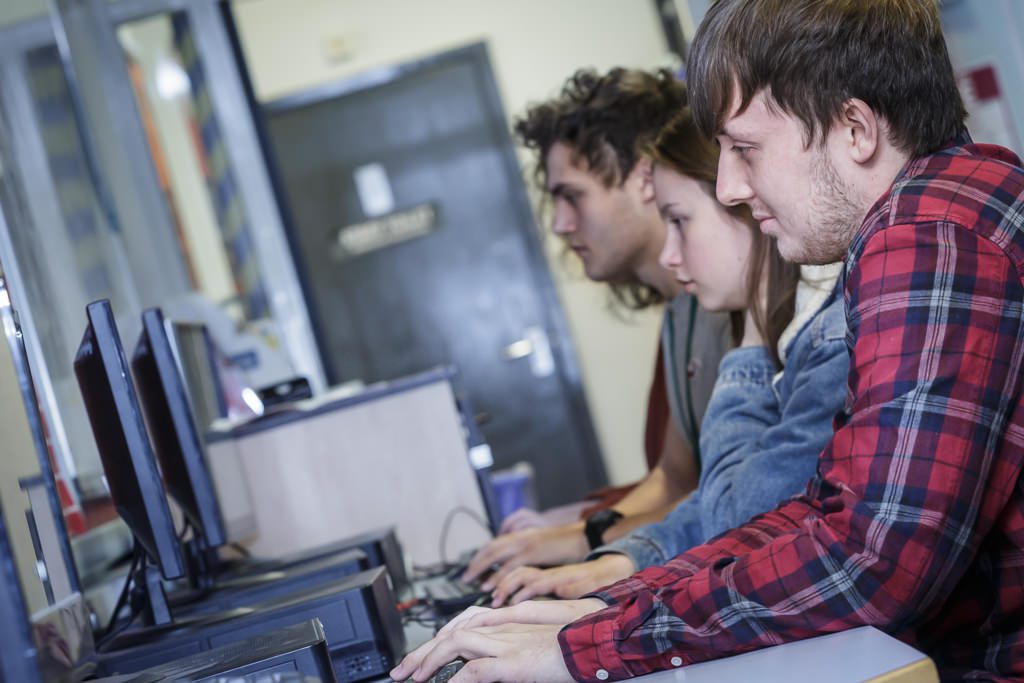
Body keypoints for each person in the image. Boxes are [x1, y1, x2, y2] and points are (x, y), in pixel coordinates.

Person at [391, 1, 1024, 681]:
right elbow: (825, 509)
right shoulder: (943, 207)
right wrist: (610, 605)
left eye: (745, 148)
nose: (730, 185)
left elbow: (874, 560)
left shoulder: (927, 238)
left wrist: (587, 649)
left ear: (855, 128)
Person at [489, 109, 848, 608]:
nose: (669, 255)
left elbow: (735, 514)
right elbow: (700, 488)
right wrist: (623, 556)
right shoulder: (695, 311)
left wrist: (593, 544)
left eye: (573, 195)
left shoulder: (825, 334)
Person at [461, 69, 733, 588]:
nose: (562, 224)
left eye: (574, 197)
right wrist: (574, 536)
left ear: (643, 178)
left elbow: (726, 497)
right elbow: (673, 479)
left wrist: (586, 545)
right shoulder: (682, 313)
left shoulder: (729, 305)